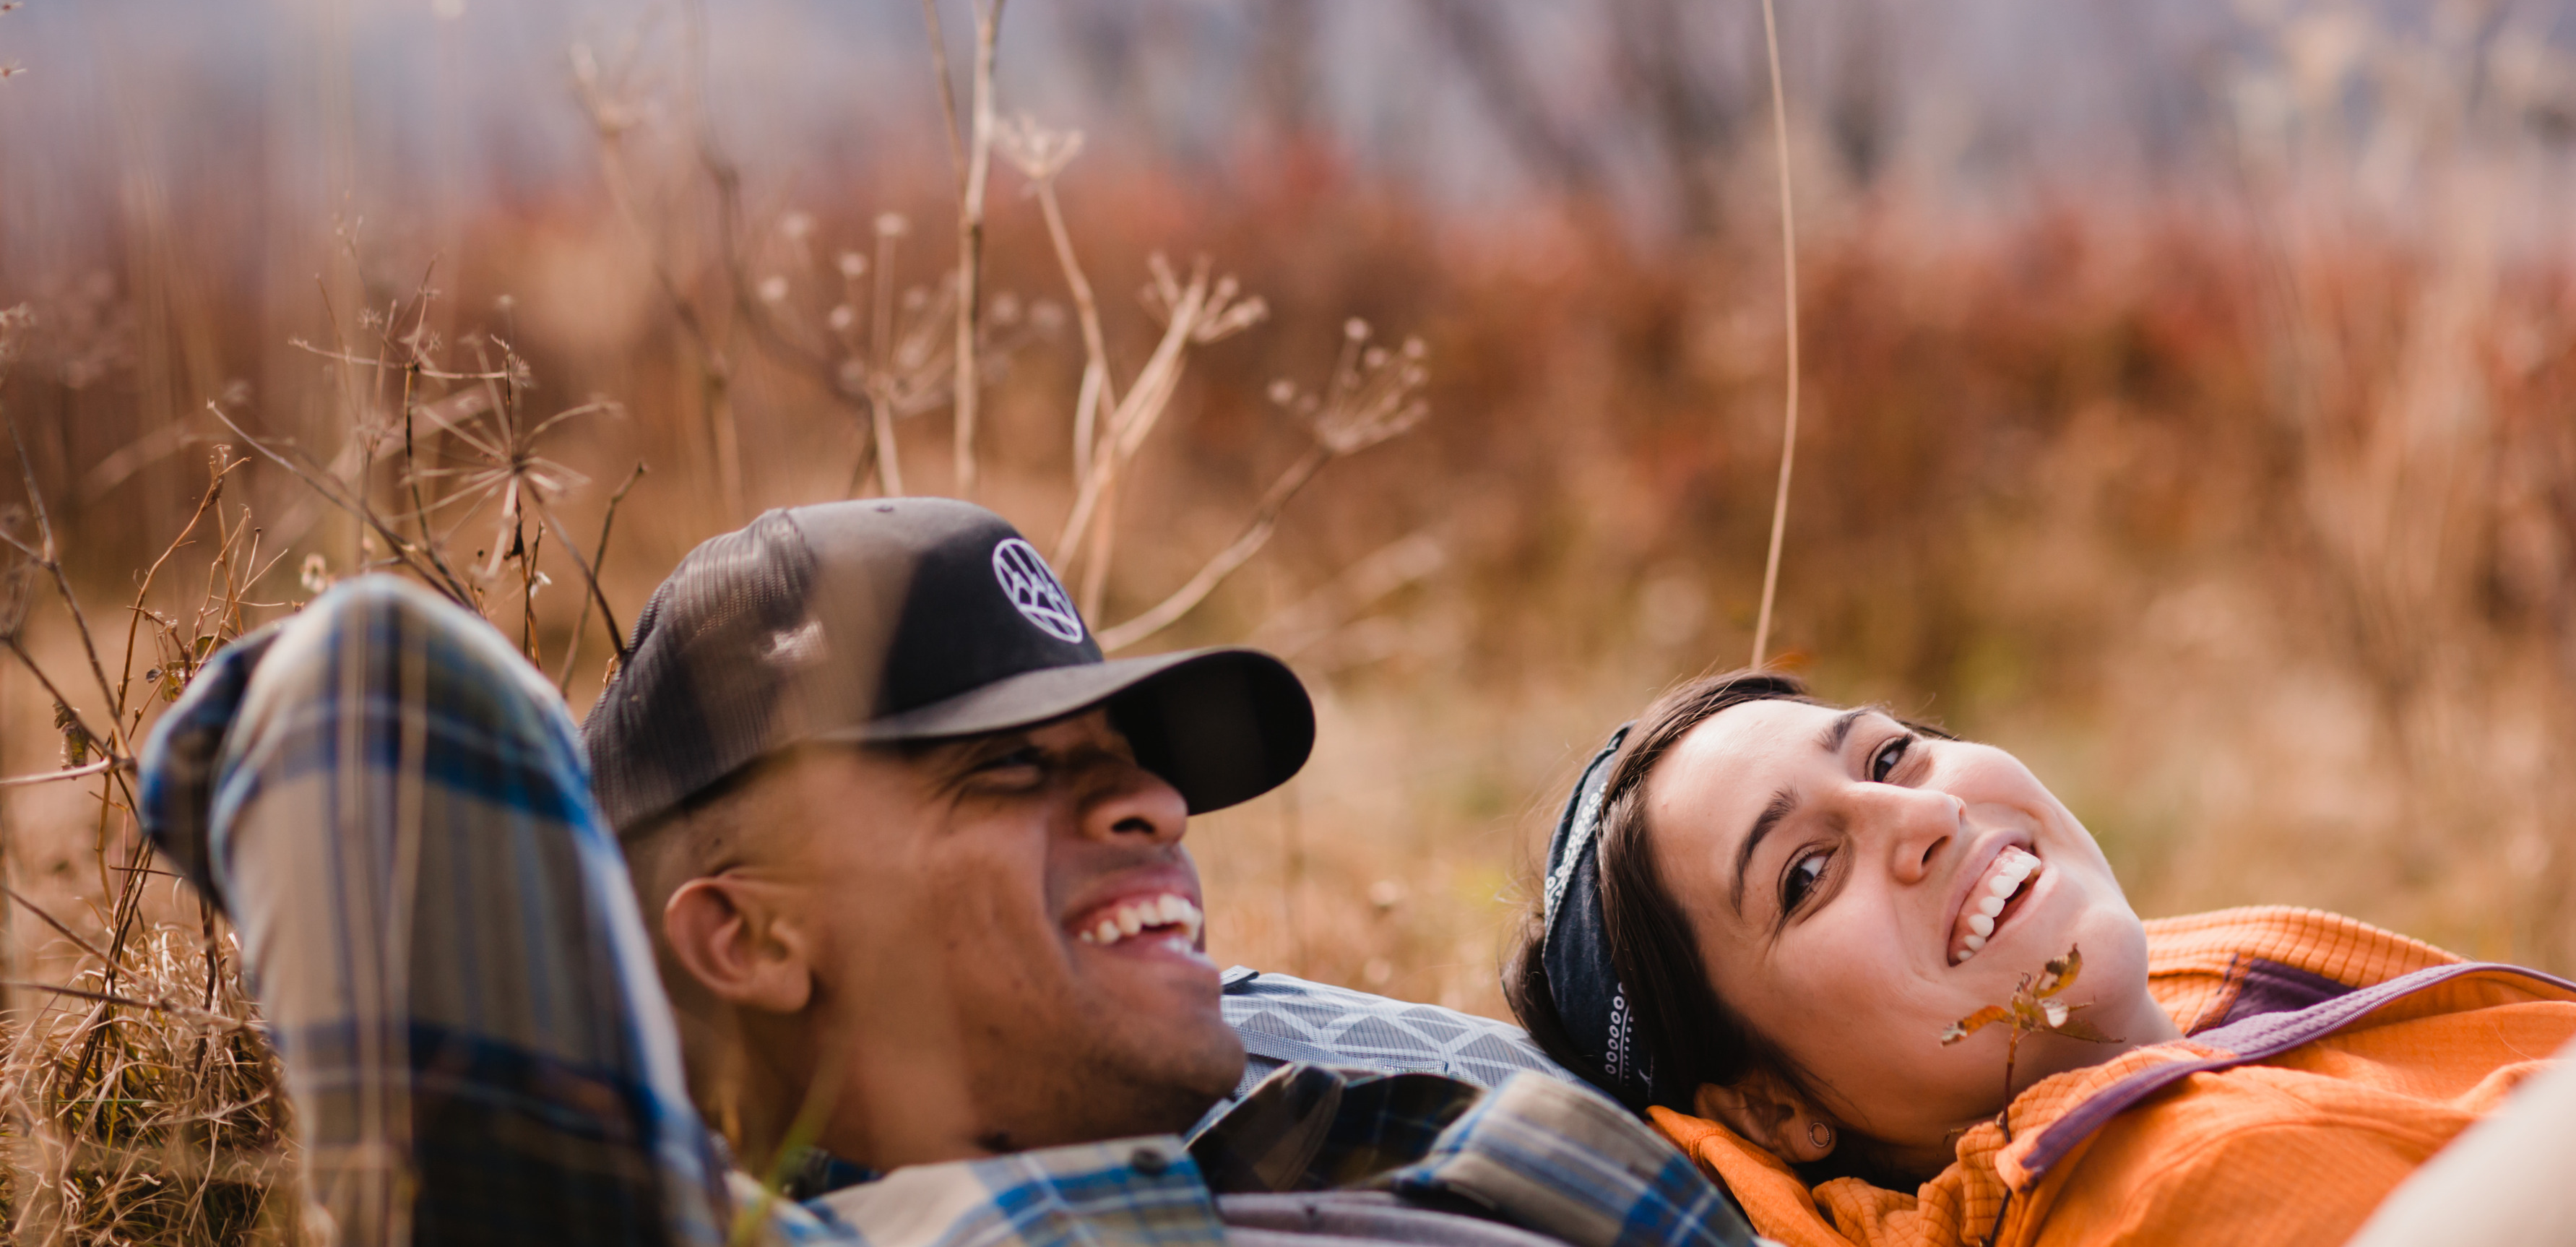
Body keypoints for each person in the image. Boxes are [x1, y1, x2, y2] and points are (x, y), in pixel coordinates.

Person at [137, 499, 1744, 1247]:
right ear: (747, 936)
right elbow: (368, 703)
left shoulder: (1325, 1067)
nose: (1156, 805)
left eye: (1132, 755)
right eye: (1013, 770)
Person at [1507, 668, 2576, 1247]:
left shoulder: (2192, 1009)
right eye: (1805, 871)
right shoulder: (2081, 1208)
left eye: (1888, 751)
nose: (1914, 814)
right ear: (1774, 1109)